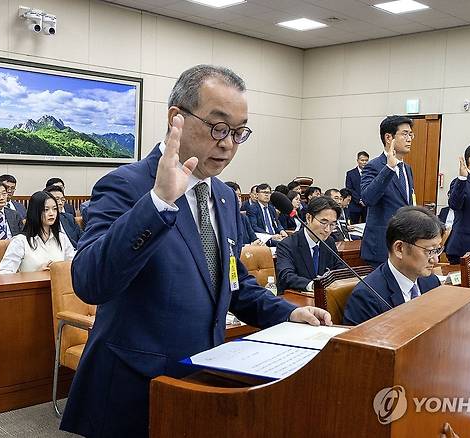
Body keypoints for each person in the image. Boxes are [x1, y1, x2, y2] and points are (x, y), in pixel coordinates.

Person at [60, 65, 331, 438]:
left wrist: (291, 313)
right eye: (218, 127)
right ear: (177, 119)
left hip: (202, 381)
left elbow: (233, 283)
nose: (228, 143)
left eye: (239, 132)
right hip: (134, 387)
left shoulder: (221, 195)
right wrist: (158, 202)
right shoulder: (126, 184)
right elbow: (90, 281)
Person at [343, 206, 442, 325]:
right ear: (399, 249)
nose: (435, 260)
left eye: (437, 250)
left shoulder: (431, 281)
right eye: (429, 251)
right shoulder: (367, 297)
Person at [360, 116, 415, 267]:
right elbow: (367, 198)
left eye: (411, 134)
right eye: (404, 134)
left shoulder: (407, 169)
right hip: (381, 247)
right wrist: (389, 168)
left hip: (402, 246)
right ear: (388, 137)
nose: (409, 138)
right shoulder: (374, 166)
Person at [275, 196, 345, 294]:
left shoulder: (329, 242)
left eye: (332, 224)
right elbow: (286, 276)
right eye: (323, 222)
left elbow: (340, 268)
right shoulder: (287, 245)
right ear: (309, 218)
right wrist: (313, 286)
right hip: (298, 299)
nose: (327, 230)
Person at [0, 191, 75, 274]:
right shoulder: (20, 241)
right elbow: (3, 274)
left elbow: (73, 264)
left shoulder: (61, 237)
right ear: (35, 212)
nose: (52, 213)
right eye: (46, 210)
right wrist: (36, 274)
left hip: (59, 285)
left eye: (54, 209)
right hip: (31, 286)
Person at [225, 181, 263, 246]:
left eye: (239, 196)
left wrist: (259, 242)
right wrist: (249, 246)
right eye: (234, 196)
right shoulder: (221, 219)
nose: (238, 200)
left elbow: (253, 237)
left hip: (249, 253)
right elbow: (227, 244)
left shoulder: (243, 217)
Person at [45, 185, 82, 249]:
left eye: (62, 200)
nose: (60, 203)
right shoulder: (43, 221)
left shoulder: (69, 218)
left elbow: (83, 237)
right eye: (56, 199)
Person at [345, 150, 369, 224]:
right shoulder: (350, 173)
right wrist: (359, 200)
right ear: (357, 160)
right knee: (353, 225)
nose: (364, 162)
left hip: (367, 205)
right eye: (362, 160)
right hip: (355, 205)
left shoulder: (370, 173)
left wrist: (365, 200)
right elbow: (349, 189)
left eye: (366, 160)